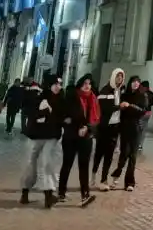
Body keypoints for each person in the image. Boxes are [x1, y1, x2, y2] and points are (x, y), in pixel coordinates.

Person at [20, 74, 65, 209]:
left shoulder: (62, 100)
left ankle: (48, 195)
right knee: (30, 164)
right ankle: (25, 191)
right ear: (49, 85)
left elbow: (63, 116)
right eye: (55, 84)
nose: (58, 87)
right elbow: (31, 113)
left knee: (48, 163)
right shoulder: (38, 97)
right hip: (36, 135)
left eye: (59, 84)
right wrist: (43, 112)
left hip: (52, 136)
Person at [59, 74, 99, 206]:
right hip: (71, 136)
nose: (87, 86)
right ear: (80, 84)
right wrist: (73, 125)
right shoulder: (71, 97)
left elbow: (96, 119)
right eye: (85, 83)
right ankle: (61, 192)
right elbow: (64, 117)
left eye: (89, 83)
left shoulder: (93, 99)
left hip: (86, 137)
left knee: (84, 166)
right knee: (67, 164)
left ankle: (85, 195)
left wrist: (87, 128)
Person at [109, 75, 148, 191]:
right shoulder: (125, 95)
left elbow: (143, 111)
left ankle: (130, 182)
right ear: (130, 83)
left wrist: (129, 106)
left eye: (137, 82)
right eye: (133, 82)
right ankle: (115, 178)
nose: (135, 84)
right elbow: (120, 110)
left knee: (133, 156)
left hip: (136, 128)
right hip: (125, 128)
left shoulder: (142, 96)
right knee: (123, 154)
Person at [92, 68, 125, 190]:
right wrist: (119, 107)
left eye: (121, 77)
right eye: (117, 76)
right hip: (104, 126)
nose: (119, 79)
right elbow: (105, 109)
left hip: (115, 127)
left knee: (109, 155)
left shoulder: (120, 91)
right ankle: (93, 175)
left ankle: (104, 180)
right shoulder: (105, 90)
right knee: (99, 153)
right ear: (113, 77)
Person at [138, 80, 153, 152]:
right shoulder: (151, 93)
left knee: (138, 129)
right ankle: (140, 145)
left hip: (142, 113)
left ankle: (136, 143)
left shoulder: (142, 93)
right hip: (148, 113)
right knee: (143, 130)